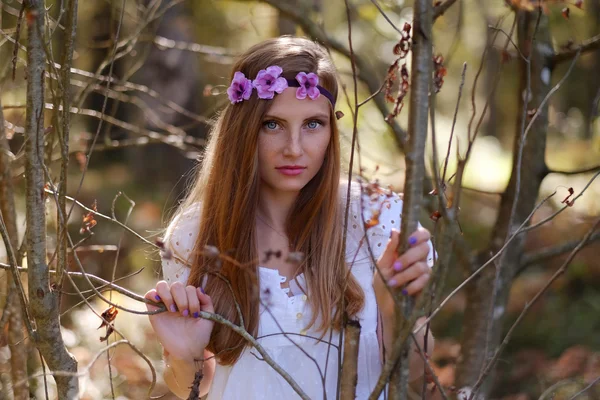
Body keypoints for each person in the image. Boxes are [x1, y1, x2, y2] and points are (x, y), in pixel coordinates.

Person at [145, 36, 435, 400]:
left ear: (331, 130)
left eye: (313, 124)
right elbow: (200, 386)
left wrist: (394, 308)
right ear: (243, 131)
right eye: (273, 125)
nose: (294, 148)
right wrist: (184, 356)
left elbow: (417, 374)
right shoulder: (194, 234)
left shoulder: (379, 221)